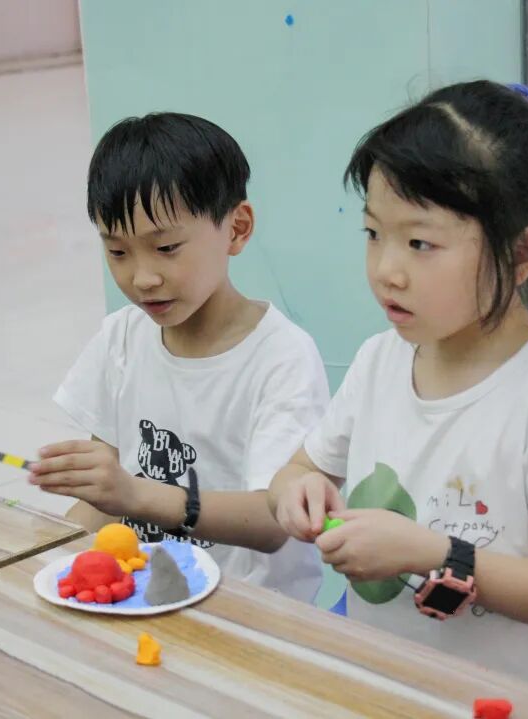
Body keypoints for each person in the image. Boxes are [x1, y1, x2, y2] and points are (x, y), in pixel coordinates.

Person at [268, 80, 528, 702]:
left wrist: (431, 552)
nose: (386, 270)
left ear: (522, 254)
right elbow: (301, 468)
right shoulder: (379, 361)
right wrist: (296, 491)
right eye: (373, 233)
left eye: (420, 243)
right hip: (385, 693)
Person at [29, 112, 330, 601]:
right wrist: (40, 553)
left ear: (237, 229)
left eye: (166, 247)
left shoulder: (281, 357)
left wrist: (136, 494)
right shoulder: (122, 337)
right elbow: (105, 500)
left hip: (249, 613)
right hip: (142, 596)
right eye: (118, 252)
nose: (142, 278)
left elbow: (273, 521)